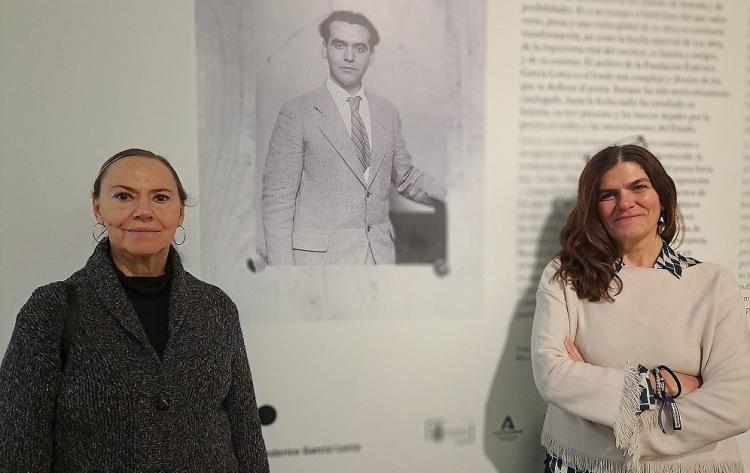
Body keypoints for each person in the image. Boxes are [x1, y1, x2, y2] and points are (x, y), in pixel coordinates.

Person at [0, 149, 269, 472]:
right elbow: (19, 446)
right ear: (98, 209)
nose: (143, 211)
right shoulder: (52, 309)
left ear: (180, 213)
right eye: (124, 196)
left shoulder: (216, 307)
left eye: (160, 198)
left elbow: (245, 431)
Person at [531, 145, 750, 472]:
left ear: (662, 196)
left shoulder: (714, 283)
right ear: (594, 208)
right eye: (608, 194)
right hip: (585, 464)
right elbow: (553, 375)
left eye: (638, 187)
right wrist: (666, 384)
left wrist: (634, 430)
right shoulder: (566, 276)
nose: (625, 203)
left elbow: (736, 401)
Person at [262, 10, 446, 265]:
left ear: (372, 55)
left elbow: (404, 177)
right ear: (325, 48)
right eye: (340, 45)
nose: (349, 56)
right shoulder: (297, 113)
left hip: (379, 260)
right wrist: (284, 275)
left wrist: (456, 196)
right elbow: (277, 201)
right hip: (320, 267)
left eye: (359, 48)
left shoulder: (386, 113)